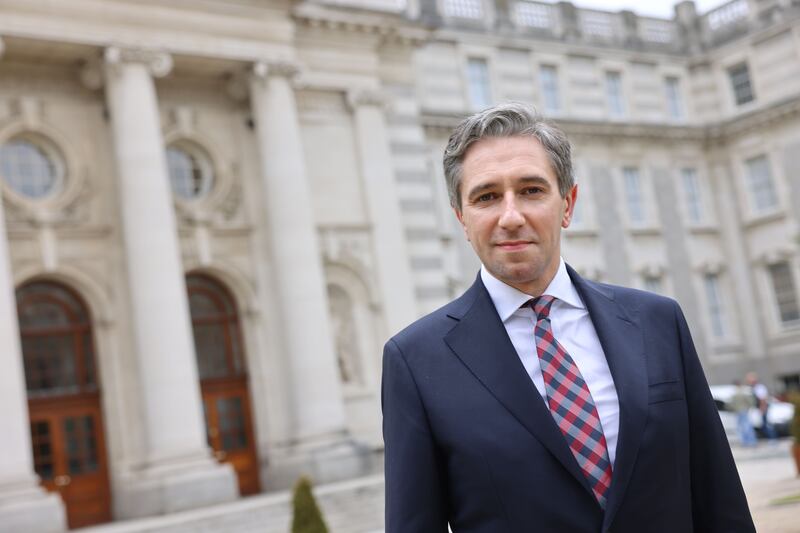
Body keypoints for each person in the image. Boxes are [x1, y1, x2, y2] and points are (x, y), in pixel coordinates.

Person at [381, 103, 755, 532]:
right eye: (486, 197)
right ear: (462, 218)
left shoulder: (657, 322)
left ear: (568, 203)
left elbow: (718, 497)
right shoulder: (415, 362)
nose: (511, 216)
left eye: (531, 190)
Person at [746, 371, 777, 440]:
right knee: (763, 425)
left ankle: (773, 438)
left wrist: (762, 409)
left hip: (763, 408)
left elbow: (763, 399)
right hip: (761, 408)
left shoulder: (759, 388)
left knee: (766, 425)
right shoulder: (754, 388)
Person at [730, 379, 758, 446]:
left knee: (743, 427)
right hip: (744, 411)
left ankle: (747, 442)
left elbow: (731, 404)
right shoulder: (743, 392)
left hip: (739, 411)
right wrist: (749, 407)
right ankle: (751, 441)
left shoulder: (735, 394)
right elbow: (751, 402)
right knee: (747, 426)